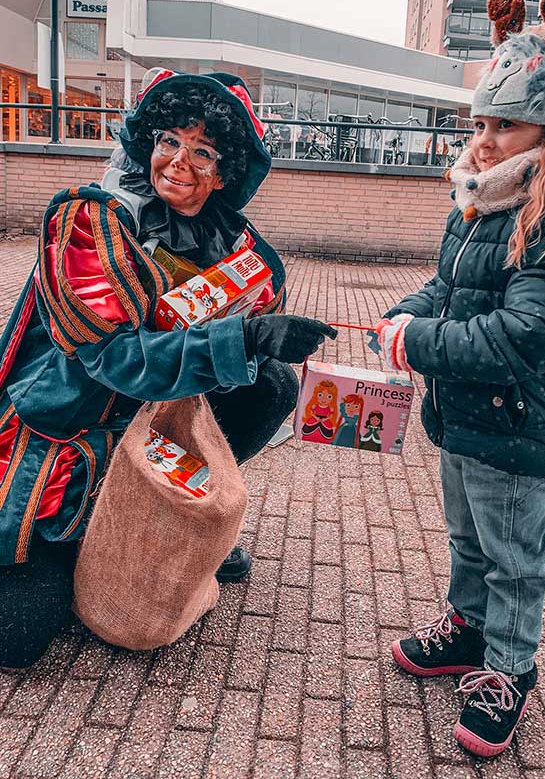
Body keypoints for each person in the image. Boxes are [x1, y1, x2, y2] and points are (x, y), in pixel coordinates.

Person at [0, 68, 336, 668]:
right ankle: (79, 542)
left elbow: (241, 324)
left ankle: (166, 520)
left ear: (225, 172)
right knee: (19, 637)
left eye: (202, 151)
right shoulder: (92, 223)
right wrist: (243, 336)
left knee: (272, 385)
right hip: (73, 421)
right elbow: (115, 360)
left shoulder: (230, 242)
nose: (179, 162)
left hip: (151, 417)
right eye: (169, 141)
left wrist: (266, 339)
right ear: (147, 142)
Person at [374, 0, 545, 758]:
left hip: (521, 426)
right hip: (467, 418)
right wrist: (409, 313)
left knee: (514, 561)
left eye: (507, 124)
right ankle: (467, 631)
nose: (486, 137)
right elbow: (451, 283)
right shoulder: (484, 196)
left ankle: (508, 669)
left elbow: (522, 338)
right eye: (484, 119)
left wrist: (419, 345)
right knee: (469, 544)